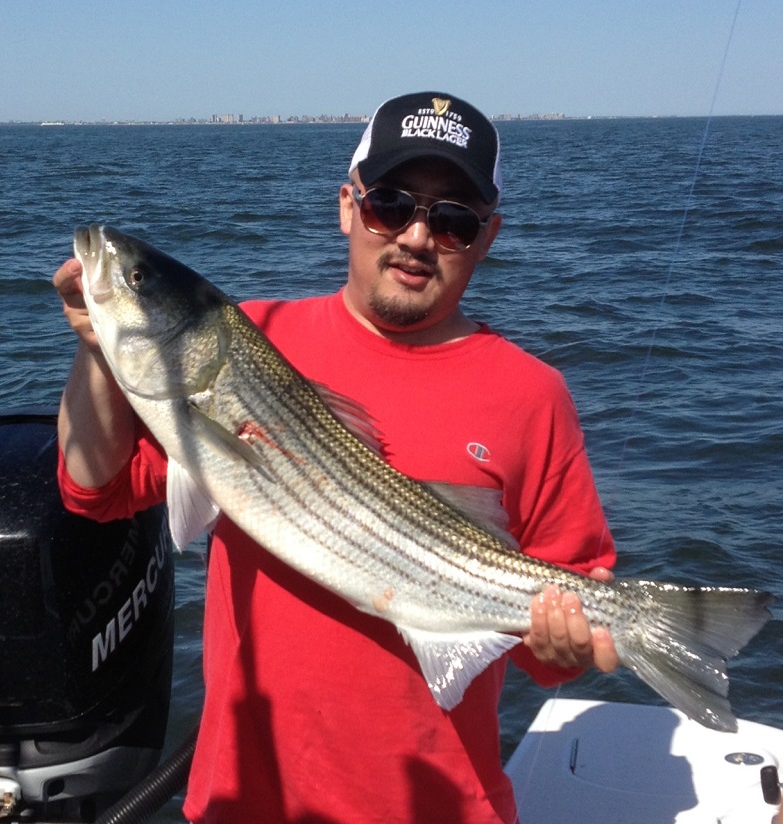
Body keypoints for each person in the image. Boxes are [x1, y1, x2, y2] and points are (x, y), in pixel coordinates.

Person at [53, 91, 619, 824]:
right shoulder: (251, 339)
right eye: (391, 204)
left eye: (453, 221)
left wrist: (573, 640)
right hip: (244, 801)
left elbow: (557, 652)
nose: (418, 237)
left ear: (488, 238)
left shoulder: (533, 393)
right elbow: (92, 491)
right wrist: (100, 350)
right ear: (348, 207)